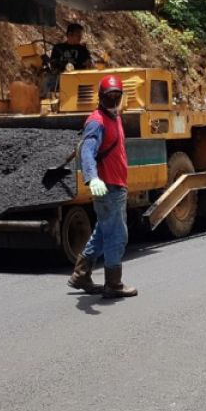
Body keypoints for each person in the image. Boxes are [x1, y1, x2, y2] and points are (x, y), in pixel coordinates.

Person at [66, 75, 138, 298]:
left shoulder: (114, 116)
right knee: (117, 234)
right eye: (110, 96)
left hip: (116, 185)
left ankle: (81, 274)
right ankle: (113, 284)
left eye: (117, 96)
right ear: (100, 97)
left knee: (102, 232)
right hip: (107, 187)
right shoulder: (97, 121)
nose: (114, 99)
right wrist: (92, 178)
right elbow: (87, 150)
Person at [44, 22, 94, 94]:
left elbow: (88, 63)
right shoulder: (58, 48)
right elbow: (53, 63)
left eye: (80, 35)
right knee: (48, 80)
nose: (80, 37)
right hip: (61, 76)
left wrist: (88, 63)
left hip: (79, 76)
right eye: (78, 35)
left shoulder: (83, 50)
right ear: (70, 35)